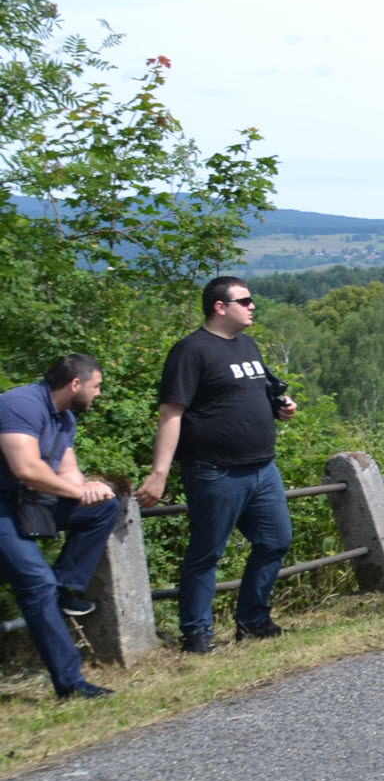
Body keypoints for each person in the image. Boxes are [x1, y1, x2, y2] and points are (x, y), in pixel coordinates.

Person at [140, 275, 300, 650]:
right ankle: (196, 634)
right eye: (244, 301)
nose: (252, 306)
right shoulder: (190, 351)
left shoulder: (247, 345)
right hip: (214, 471)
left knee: (275, 541)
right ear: (220, 307)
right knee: (206, 553)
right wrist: (159, 473)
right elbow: (171, 413)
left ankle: (253, 621)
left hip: (263, 468)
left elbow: (254, 393)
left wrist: (280, 407)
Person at [0, 355, 120, 700]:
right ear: (75, 384)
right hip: (4, 506)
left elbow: (68, 472)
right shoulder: (20, 404)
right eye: (96, 386)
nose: (98, 393)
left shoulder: (64, 417)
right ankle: (70, 684)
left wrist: (89, 489)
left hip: (28, 503)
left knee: (103, 507)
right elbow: (26, 469)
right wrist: (78, 491)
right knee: (38, 584)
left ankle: (66, 588)